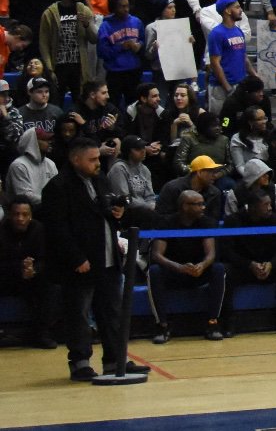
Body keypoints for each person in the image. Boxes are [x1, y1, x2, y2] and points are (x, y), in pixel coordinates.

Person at [43, 139, 146, 381]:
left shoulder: (100, 180)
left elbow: (104, 213)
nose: (97, 163)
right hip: (80, 263)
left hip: (107, 258)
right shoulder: (57, 187)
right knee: (79, 315)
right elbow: (57, 228)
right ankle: (80, 363)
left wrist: (117, 213)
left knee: (112, 313)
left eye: (98, 158)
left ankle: (115, 361)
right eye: (92, 159)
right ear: (75, 159)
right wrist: (76, 257)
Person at [145, 190, 229, 343]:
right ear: (185, 206)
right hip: (174, 271)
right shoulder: (166, 223)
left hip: (197, 272)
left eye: (203, 204)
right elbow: (157, 254)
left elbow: (211, 253)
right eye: (198, 204)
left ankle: (213, 323)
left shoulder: (207, 222)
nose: (203, 207)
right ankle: (162, 325)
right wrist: (178, 267)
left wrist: (202, 266)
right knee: (154, 271)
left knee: (218, 269)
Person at [221, 190, 276, 334]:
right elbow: (226, 252)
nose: (270, 208)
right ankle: (228, 321)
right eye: (265, 205)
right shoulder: (233, 221)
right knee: (223, 271)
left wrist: (271, 264)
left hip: (269, 268)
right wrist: (249, 264)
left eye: (270, 204)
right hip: (243, 269)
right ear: (252, 207)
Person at [0, 196, 58, 349]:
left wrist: (33, 270)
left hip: (33, 278)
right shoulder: (2, 231)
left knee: (50, 285)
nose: (20, 218)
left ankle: (43, 333)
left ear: (31, 215)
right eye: (16, 214)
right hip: (8, 278)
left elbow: (45, 258)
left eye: (24, 214)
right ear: (9, 215)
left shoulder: (39, 229)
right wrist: (20, 268)